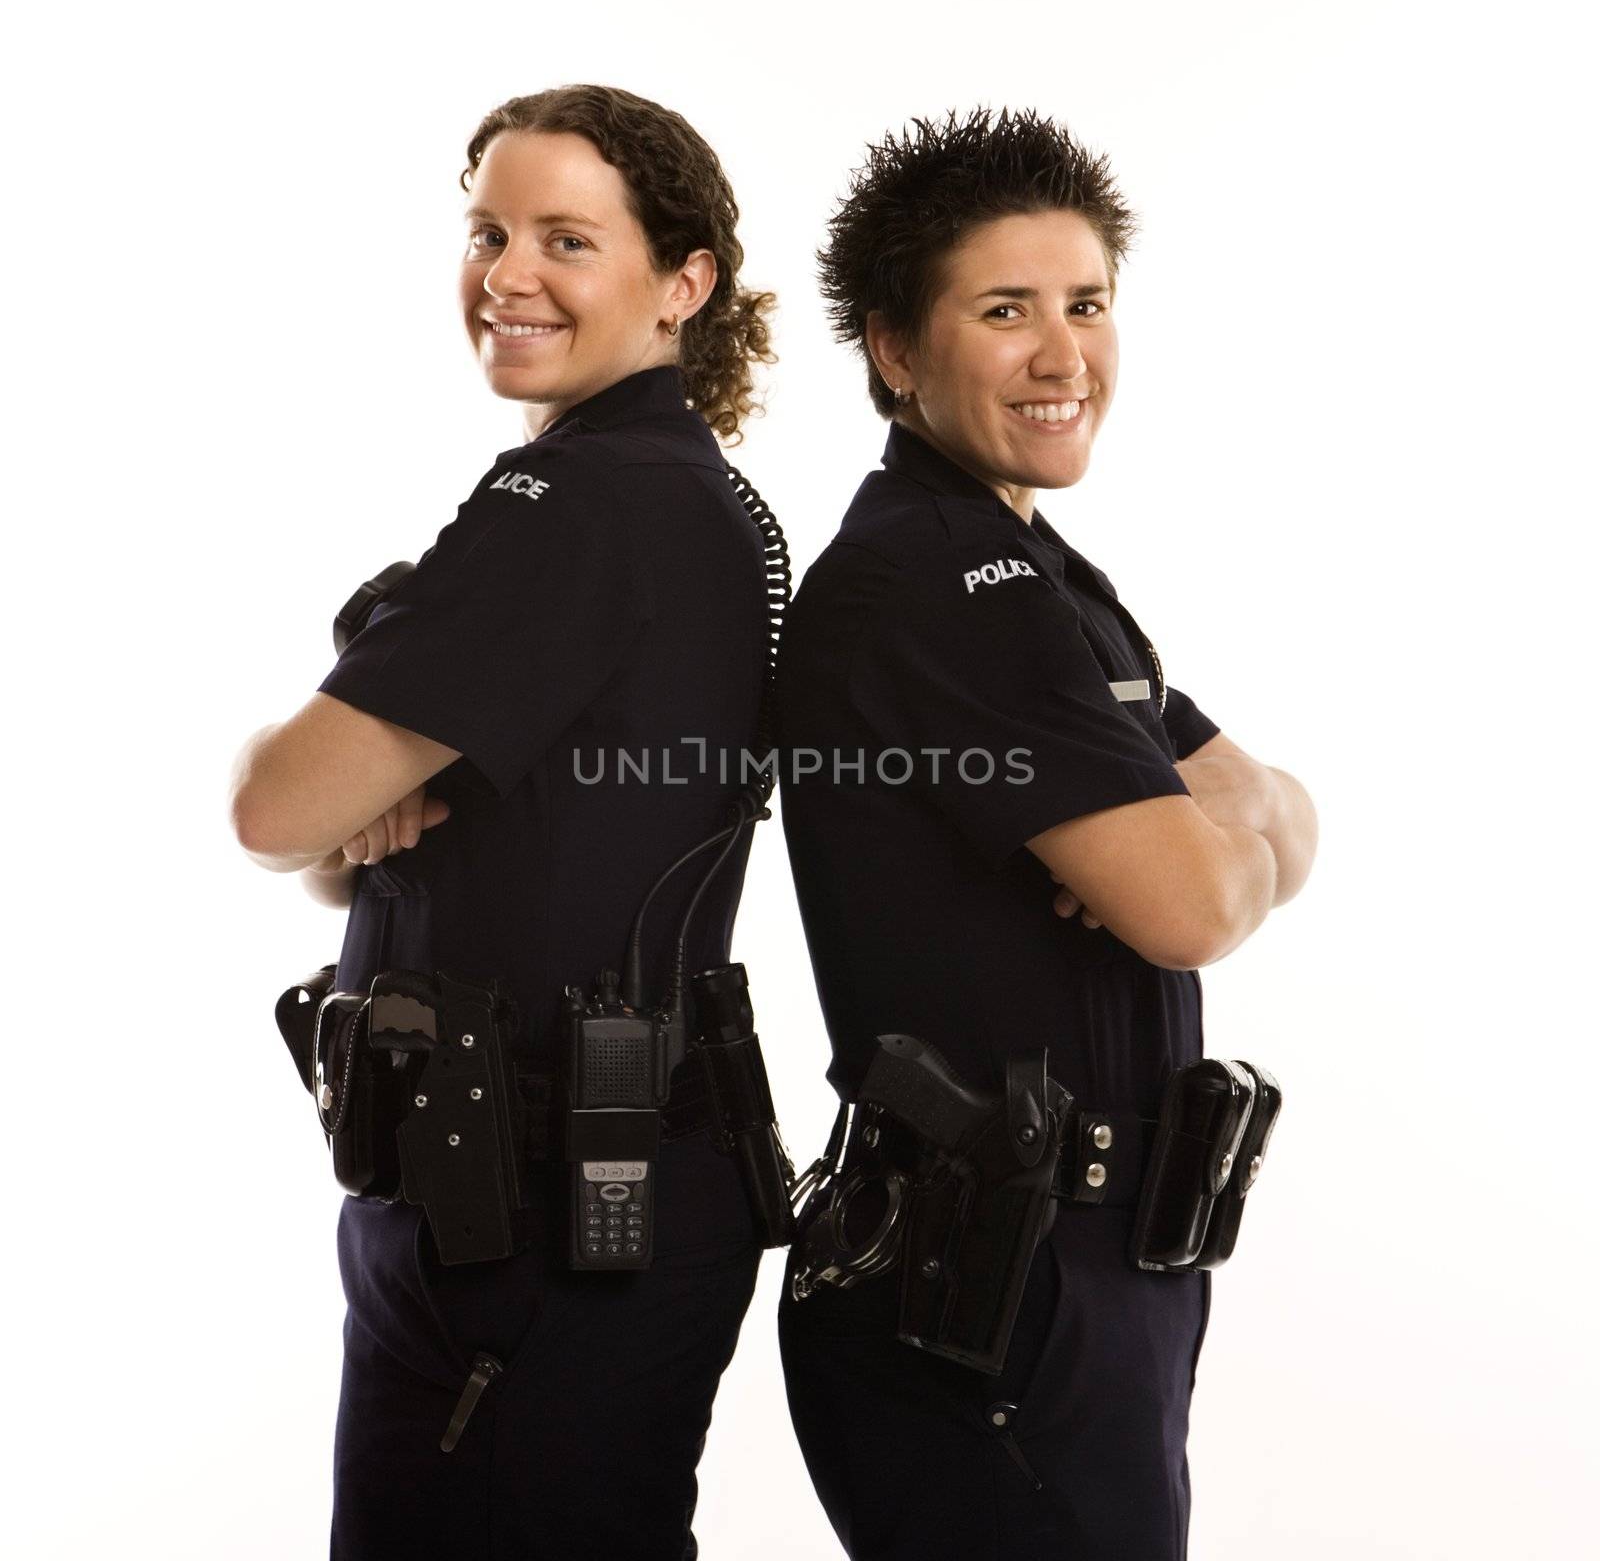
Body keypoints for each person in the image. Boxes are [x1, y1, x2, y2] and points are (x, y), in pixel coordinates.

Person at [228, 84, 782, 1559]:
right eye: (485, 230)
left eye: (565, 238)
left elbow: (272, 805)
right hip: (578, 1202)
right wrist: (376, 796)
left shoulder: (571, 503)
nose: (507, 273)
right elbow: (350, 856)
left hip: (529, 1226)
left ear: (682, 284)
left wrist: (381, 634)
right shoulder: (677, 497)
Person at [774, 108, 1318, 1559]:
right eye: (1004, 310)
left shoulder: (1041, 579)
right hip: (996, 1285)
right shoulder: (947, 588)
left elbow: (1282, 818)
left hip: (1075, 1273)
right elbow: (1199, 905)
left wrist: (1206, 841)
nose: (1064, 354)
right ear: (896, 349)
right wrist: (1194, 848)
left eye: (1086, 304)